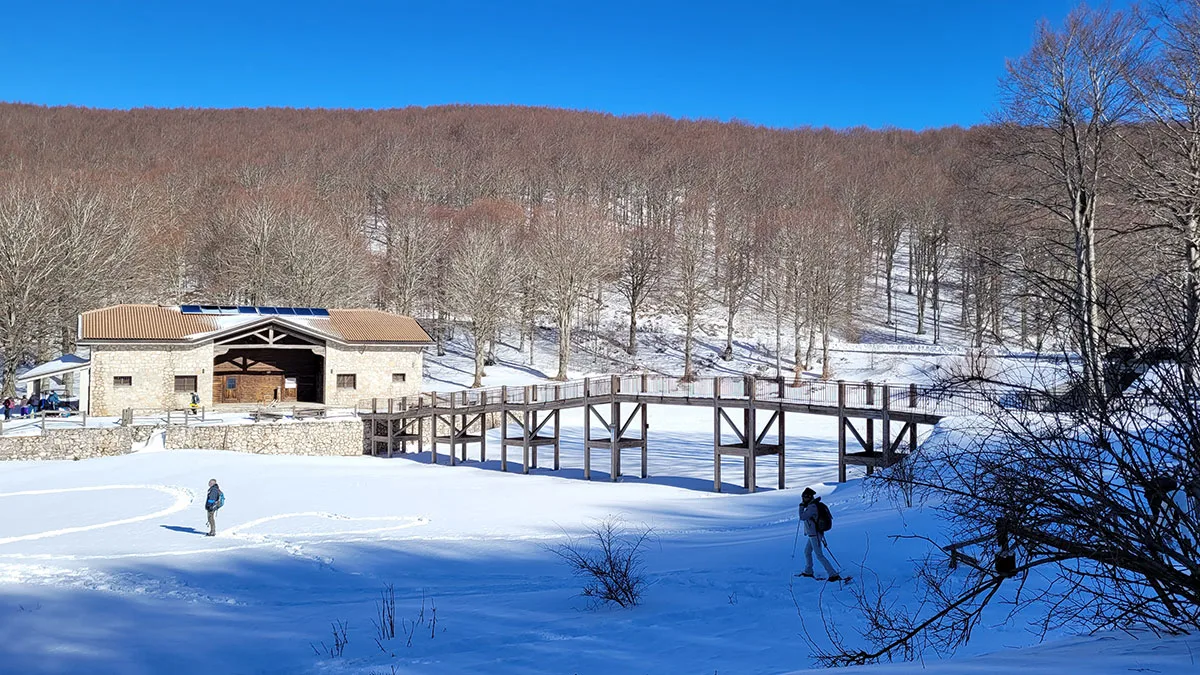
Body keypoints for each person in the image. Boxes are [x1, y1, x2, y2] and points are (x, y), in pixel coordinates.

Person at [798, 487, 840, 581]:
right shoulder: (813, 505)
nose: (803, 499)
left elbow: (802, 517)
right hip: (813, 534)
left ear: (809, 497)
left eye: (804, 497)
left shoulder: (812, 507)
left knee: (819, 555)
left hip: (815, 534)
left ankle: (833, 574)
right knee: (807, 552)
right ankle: (808, 571)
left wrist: (801, 507)